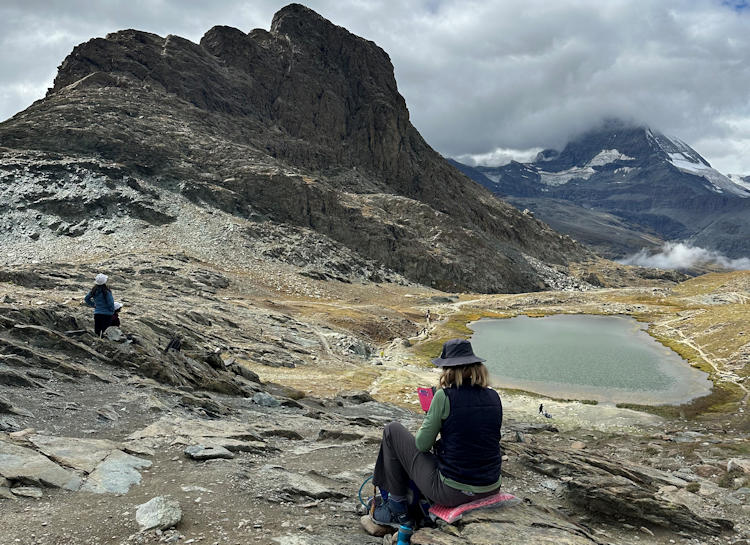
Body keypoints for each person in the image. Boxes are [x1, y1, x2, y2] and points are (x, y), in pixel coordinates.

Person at [371, 338, 503, 527]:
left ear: (449, 370)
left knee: (392, 430)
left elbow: (422, 445)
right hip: (491, 487)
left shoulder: (444, 396)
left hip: (453, 492)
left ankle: (396, 508)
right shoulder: (494, 396)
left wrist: (432, 418)